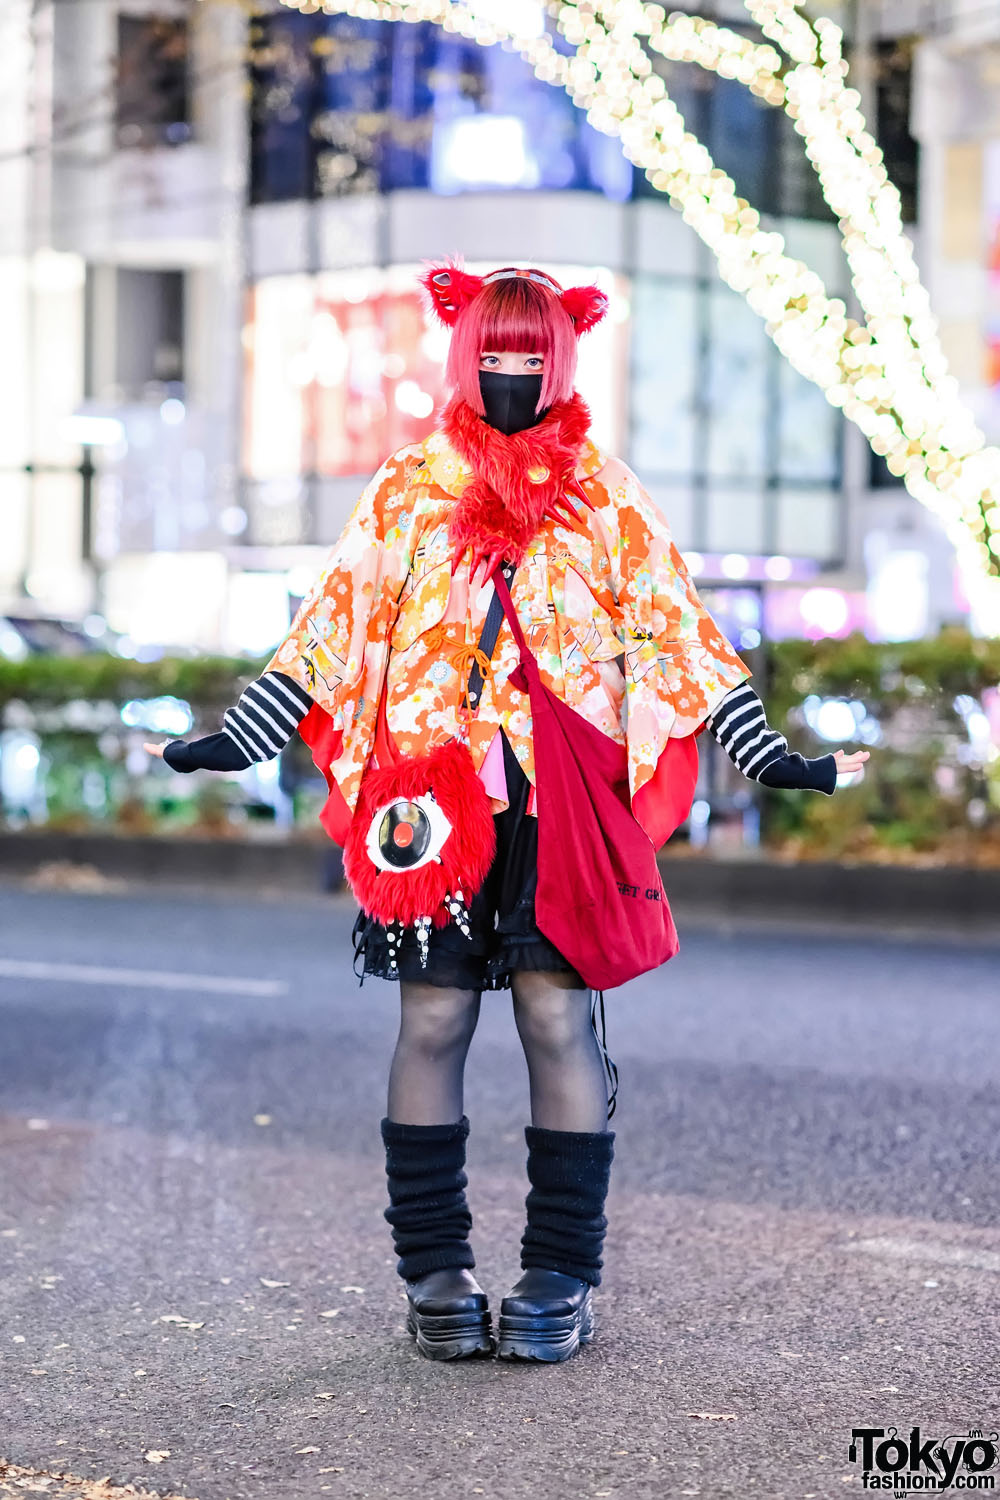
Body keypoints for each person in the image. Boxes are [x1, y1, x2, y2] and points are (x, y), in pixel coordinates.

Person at [147, 262, 869, 1364]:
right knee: (430, 1021)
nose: (513, 373)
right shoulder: (407, 488)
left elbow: (679, 635)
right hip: (429, 801)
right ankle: (433, 1267)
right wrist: (237, 735)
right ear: (463, 352)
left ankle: (558, 1275)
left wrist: (770, 755)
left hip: (559, 804)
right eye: (495, 353)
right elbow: (332, 629)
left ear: (564, 357)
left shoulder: (605, 493)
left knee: (553, 1018)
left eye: (534, 357)